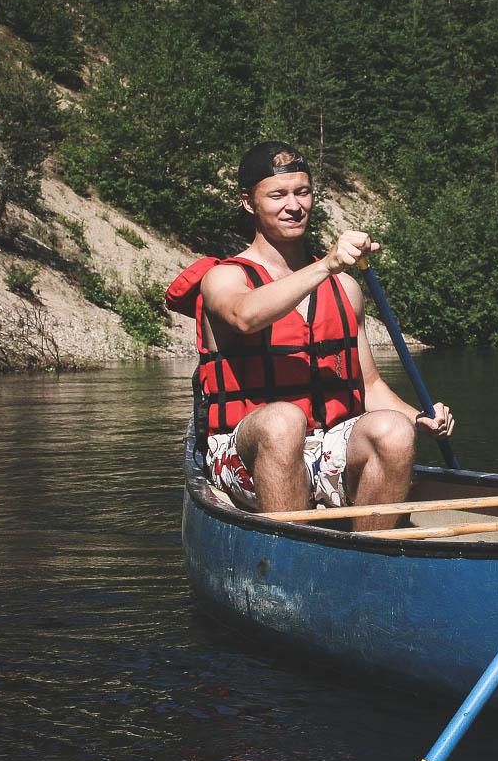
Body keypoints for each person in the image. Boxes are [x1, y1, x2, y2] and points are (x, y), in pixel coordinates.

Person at [171, 142, 453, 531]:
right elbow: (245, 317)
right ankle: (291, 554)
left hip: (327, 445)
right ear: (249, 203)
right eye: (278, 195)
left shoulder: (345, 289)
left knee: (393, 429)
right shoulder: (224, 278)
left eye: (302, 192)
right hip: (243, 453)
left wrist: (419, 417)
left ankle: (370, 556)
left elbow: (368, 385)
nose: (294, 205)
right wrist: (326, 265)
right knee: (283, 421)